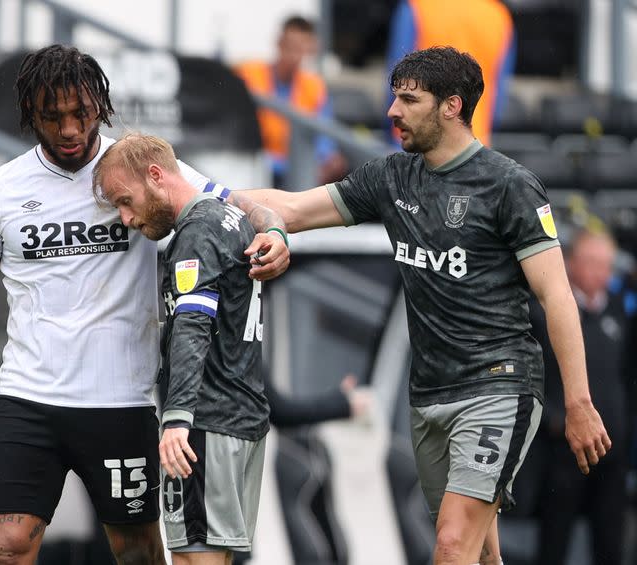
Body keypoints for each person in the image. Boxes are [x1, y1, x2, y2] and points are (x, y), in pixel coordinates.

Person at [231, 46, 611, 565]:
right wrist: (202, 196)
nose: (392, 112)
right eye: (394, 99)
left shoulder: (510, 186)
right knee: (478, 554)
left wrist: (579, 402)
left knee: (452, 545)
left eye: (409, 100)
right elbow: (294, 209)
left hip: (499, 385)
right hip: (428, 395)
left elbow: (557, 296)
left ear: (451, 106)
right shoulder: (392, 178)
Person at [0, 44, 289, 565]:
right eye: (53, 117)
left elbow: (227, 202)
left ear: (100, 105)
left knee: (137, 552)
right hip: (27, 397)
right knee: (6, 548)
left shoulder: (137, 170)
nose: (70, 129)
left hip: (120, 401)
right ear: (31, 114)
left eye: (81, 114)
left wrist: (273, 229)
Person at [93, 133, 270, 565]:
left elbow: (193, 325)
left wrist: (176, 419)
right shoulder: (231, 218)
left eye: (125, 200)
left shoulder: (196, 234)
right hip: (241, 419)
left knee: (195, 559)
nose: (126, 217)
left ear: (155, 175)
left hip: (203, 427)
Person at [531, 228, 631, 565]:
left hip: (611, 455)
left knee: (610, 546)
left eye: (605, 265)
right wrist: (553, 421)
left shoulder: (620, 311)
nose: (597, 272)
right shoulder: (543, 313)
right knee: (554, 544)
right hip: (563, 452)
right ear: (570, 263)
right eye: (589, 262)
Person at [234, 15, 348, 188]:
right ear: (279, 43)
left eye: (299, 49)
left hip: (298, 171)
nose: (293, 56)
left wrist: (326, 160)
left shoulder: (314, 87)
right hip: (254, 166)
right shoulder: (249, 75)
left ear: (309, 49)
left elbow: (325, 139)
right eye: (290, 47)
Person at [386, 0, 516, 147]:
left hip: (415, 136)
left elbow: (397, 79)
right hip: (473, 139)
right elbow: (499, 93)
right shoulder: (498, 14)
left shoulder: (417, 6)